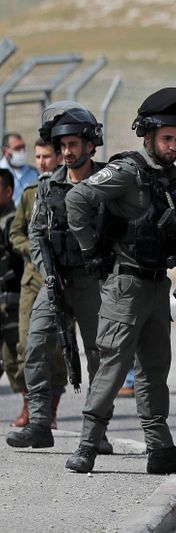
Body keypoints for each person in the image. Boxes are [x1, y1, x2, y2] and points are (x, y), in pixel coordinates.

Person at [63, 87, 176, 475]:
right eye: (167, 138)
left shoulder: (170, 180)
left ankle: (159, 449)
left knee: (155, 369)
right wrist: (91, 250)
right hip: (124, 287)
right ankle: (87, 446)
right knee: (112, 366)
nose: (174, 146)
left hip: (158, 285)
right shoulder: (127, 171)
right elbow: (77, 199)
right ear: (148, 136)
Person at [5, 101, 112, 453]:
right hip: (54, 282)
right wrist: (48, 272)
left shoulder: (107, 183)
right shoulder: (48, 186)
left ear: (90, 146)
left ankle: (98, 431)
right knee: (33, 346)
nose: (66, 152)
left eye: (73, 145)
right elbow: (36, 233)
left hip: (93, 282)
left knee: (100, 355)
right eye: (62, 146)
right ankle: (39, 422)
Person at [8, 139, 64, 428]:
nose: (41, 162)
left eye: (47, 156)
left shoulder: (69, 191)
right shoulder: (30, 194)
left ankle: (50, 408)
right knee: (25, 343)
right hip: (33, 280)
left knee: (56, 347)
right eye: (38, 156)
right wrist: (32, 249)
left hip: (62, 280)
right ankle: (29, 404)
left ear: (59, 157)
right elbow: (17, 232)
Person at [0, 169, 24, 407]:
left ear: (8, 191)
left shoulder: (13, 222)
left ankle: (31, 408)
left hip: (11, 300)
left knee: (14, 359)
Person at [0, 133, 38, 206]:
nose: (22, 151)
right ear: (5, 151)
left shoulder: (34, 173)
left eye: (23, 147)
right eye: (17, 148)